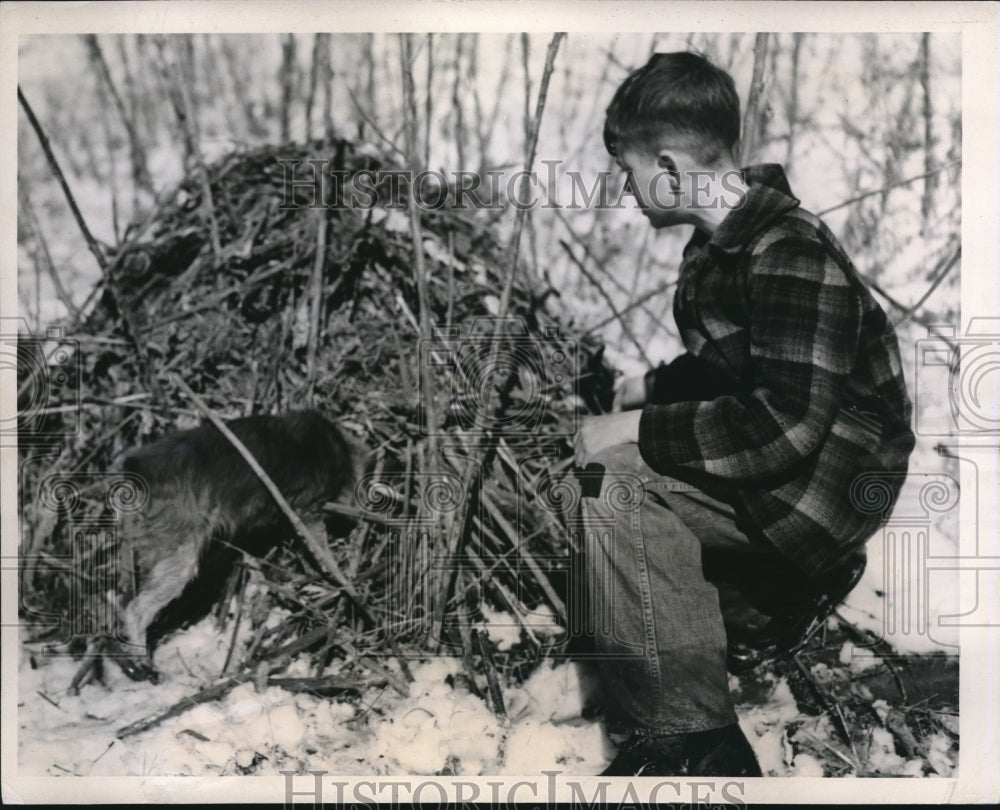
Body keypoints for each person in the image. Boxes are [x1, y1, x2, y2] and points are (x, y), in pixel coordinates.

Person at [572, 51, 915, 777]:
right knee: (633, 504)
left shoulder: (788, 251)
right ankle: (765, 603)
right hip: (804, 465)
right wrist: (645, 389)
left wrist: (635, 429)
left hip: (831, 485)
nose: (626, 192)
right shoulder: (721, 245)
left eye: (628, 172)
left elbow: (782, 426)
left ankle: (694, 744)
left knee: (615, 482)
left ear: (667, 165)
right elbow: (738, 370)